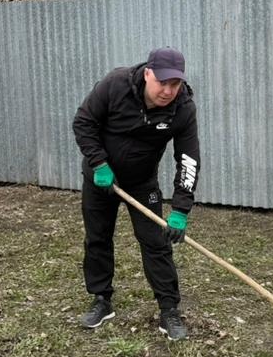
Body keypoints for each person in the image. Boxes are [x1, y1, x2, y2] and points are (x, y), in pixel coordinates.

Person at [72, 47, 200, 341]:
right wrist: (99, 163)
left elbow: (188, 159)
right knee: (98, 238)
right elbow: (84, 122)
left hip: (142, 183)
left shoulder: (183, 108)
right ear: (147, 74)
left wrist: (180, 209)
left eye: (175, 84)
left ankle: (169, 310)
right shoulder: (115, 85)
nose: (168, 91)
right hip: (101, 178)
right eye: (162, 82)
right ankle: (101, 300)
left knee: (156, 243)